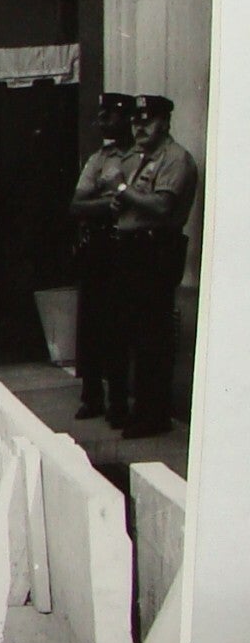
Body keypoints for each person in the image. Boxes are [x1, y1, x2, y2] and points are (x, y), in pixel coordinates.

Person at [105, 94, 200, 438]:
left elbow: (161, 207)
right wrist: (122, 199)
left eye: (148, 121)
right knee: (137, 333)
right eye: (136, 121)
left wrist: (120, 187)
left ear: (165, 123)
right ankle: (143, 410)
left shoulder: (175, 159)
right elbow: (134, 203)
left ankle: (153, 414)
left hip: (155, 250)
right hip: (135, 250)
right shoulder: (145, 159)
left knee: (152, 336)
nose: (140, 127)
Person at [68, 93, 140, 423]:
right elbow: (77, 204)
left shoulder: (141, 157)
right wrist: (107, 204)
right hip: (99, 247)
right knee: (92, 324)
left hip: (129, 246)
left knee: (120, 325)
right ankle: (93, 396)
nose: (104, 122)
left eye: (109, 116)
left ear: (125, 118)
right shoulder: (100, 159)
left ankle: (119, 403)